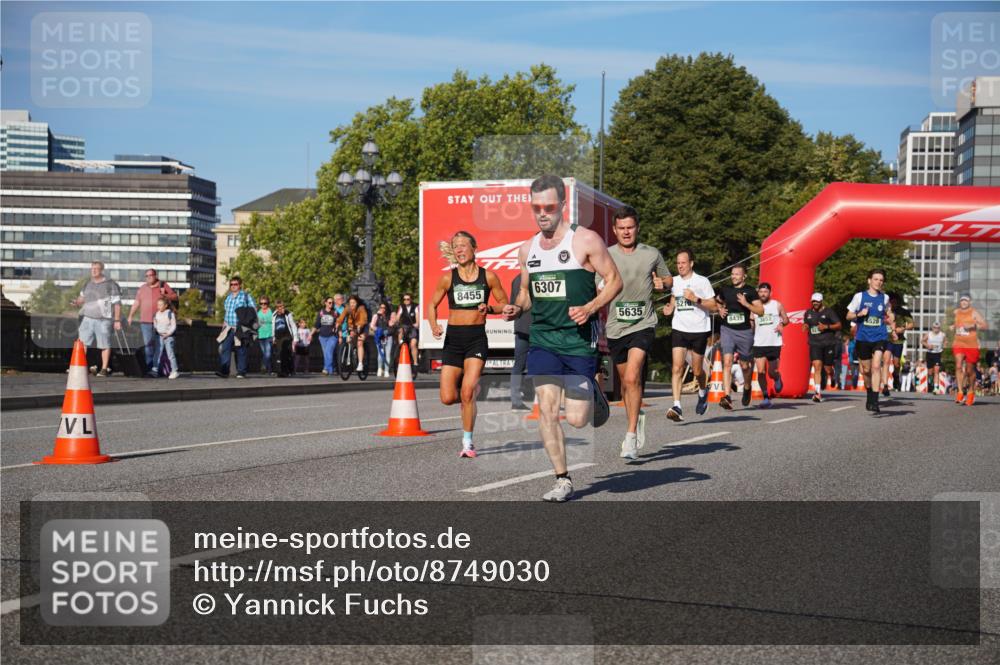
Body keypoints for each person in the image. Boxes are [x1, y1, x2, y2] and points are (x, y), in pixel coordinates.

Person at [501, 174, 621, 502]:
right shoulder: (528, 249)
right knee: (547, 409)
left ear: (563, 205)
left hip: (578, 339)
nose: (543, 213)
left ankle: (592, 391)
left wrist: (592, 306)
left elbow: (613, 281)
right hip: (543, 338)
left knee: (579, 420)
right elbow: (526, 293)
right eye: (536, 207)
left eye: (549, 207)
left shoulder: (585, 241)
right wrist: (516, 307)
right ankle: (562, 479)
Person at [428, 231, 509, 457]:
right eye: (456, 246)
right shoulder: (448, 278)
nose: (460, 250)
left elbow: (505, 304)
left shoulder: (488, 277)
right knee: (448, 398)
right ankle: (469, 397)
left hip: (476, 339)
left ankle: (467, 443)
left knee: (467, 392)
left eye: (464, 245)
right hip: (453, 340)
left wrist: (489, 309)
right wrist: (434, 325)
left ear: (475, 248)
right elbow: (431, 305)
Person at [604, 206, 670, 459]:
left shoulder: (651, 253)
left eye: (630, 227)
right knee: (627, 385)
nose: (626, 232)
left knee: (632, 377)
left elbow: (668, 280)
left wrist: (662, 284)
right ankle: (637, 416)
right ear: (614, 230)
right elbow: (592, 279)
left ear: (637, 228)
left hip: (643, 323)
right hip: (615, 326)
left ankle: (630, 436)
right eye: (621, 228)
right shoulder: (606, 255)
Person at [662, 249, 717, 422]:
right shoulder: (675, 282)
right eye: (678, 263)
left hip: (699, 329)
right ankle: (677, 405)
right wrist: (670, 308)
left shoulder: (702, 281)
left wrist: (696, 299)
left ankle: (702, 391)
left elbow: (714, 306)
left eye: (683, 262)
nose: (680, 266)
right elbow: (674, 298)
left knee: (697, 370)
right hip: (679, 328)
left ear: (691, 263)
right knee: (677, 367)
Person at [714, 264, 762, 410]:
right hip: (727, 329)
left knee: (745, 366)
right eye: (732, 274)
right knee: (727, 362)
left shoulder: (750, 291)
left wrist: (746, 304)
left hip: (744, 332)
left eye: (737, 274)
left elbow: (760, 310)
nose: (734, 276)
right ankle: (727, 396)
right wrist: (720, 308)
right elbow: (716, 300)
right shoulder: (726, 290)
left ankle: (747, 387)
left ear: (744, 276)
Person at [846, 268, 892, 414]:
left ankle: (875, 400)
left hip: (879, 336)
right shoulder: (859, 297)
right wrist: (859, 314)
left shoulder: (885, 298)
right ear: (869, 280)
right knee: (866, 370)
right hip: (863, 338)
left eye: (881, 280)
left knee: (876, 366)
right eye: (876, 279)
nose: (878, 282)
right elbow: (848, 316)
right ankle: (869, 393)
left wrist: (891, 315)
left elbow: (889, 311)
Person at [72, 261, 122, 377]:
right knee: (82, 344)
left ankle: (104, 369)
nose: (93, 271)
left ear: (102, 270)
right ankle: (81, 368)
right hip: (87, 318)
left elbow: (117, 303)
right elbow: (82, 298)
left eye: (96, 269)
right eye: (92, 268)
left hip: (104, 319)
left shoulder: (110, 284)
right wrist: (76, 302)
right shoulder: (88, 283)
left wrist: (117, 320)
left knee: (104, 344)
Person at [126, 268, 178, 377]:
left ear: (155, 276)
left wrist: (165, 295)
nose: (149, 277)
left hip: (161, 322)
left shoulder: (163, 285)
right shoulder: (142, 288)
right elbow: (136, 303)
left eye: (151, 275)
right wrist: (130, 316)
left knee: (161, 347)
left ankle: (162, 369)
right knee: (148, 346)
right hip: (145, 321)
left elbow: (175, 297)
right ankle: (149, 369)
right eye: (147, 275)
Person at [750, 282, 789, 408]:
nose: (763, 294)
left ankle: (777, 378)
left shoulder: (776, 305)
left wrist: (782, 324)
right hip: (759, 343)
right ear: (758, 293)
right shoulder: (754, 307)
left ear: (770, 293)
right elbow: (751, 326)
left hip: (774, 343)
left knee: (772, 372)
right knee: (761, 372)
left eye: (765, 292)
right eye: (761, 292)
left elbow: (786, 319)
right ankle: (766, 397)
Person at [802, 292, 842, 403]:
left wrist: (826, 326)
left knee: (827, 368)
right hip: (814, 343)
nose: (815, 303)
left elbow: (839, 325)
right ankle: (817, 393)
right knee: (817, 365)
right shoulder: (808, 313)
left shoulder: (828, 312)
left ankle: (832, 376)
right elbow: (807, 323)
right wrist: (805, 325)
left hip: (828, 343)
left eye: (818, 301)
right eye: (814, 301)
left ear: (821, 301)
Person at [951, 294, 988, 406]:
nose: (963, 302)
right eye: (962, 300)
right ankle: (960, 392)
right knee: (958, 365)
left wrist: (973, 325)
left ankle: (971, 391)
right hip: (959, 343)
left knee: (969, 371)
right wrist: (953, 326)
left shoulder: (974, 312)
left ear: (970, 302)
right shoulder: (956, 312)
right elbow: (956, 324)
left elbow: (985, 326)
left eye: (966, 301)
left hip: (971, 345)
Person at [216, 276, 256, 379]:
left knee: (241, 350)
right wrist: (223, 327)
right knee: (225, 348)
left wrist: (249, 325)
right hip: (229, 327)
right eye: (232, 284)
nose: (233, 286)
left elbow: (253, 310)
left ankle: (241, 372)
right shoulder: (228, 298)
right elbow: (227, 313)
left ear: (240, 285)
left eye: (236, 284)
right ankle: (224, 371)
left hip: (240, 328)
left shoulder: (246, 296)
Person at [880, 294, 912, 397]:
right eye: (891, 302)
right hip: (886, 339)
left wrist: (903, 329)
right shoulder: (883, 310)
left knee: (896, 363)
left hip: (898, 341)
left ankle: (896, 376)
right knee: (886, 361)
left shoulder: (904, 312)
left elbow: (911, 324)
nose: (892, 304)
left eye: (894, 302)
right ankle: (884, 385)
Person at [509, 273, 532, 410]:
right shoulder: (540, 274)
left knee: (518, 365)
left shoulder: (516, 278)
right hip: (538, 326)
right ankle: (542, 400)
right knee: (542, 364)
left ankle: (516, 401)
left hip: (521, 326)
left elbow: (513, 303)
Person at [153, 297, 180, 379]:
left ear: (166, 305)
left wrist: (168, 334)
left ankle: (174, 370)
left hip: (169, 337)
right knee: (158, 353)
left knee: (170, 353)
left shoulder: (170, 313)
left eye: (161, 305)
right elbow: (155, 323)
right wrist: (157, 330)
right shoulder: (157, 314)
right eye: (158, 305)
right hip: (160, 336)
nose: (159, 306)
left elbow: (173, 326)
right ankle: (155, 369)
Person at [313, 296, 340, 376]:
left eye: (332, 303)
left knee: (328, 352)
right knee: (326, 354)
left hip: (332, 336)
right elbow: (316, 325)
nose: (331, 304)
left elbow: (339, 325)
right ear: (325, 303)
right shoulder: (321, 312)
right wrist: (310, 334)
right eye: (329, 302)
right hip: (322, 337)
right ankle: (330, 370)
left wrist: (340, 336)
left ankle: (325, 368)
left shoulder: (335, 313)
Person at [396, 293, 420, 374]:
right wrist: (395, 322)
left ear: (411, 299)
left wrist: (417, 323)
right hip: (404, 326)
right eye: (404, 299)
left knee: (413, 344)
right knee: (400, 330)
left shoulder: (415, 306)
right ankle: (400, 343)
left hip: (412, 327)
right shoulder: (401, 306)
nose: (406, 301)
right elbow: (398, 316)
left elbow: (417, 316)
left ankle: (415, 362)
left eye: (408, 299)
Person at [345, 295, 369, 372]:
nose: (352, 304)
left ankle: (360, 363)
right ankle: (351, 354)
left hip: (363, 326)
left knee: (360, 343)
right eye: (350, 303)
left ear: (357, 303)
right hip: (355, 327)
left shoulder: (361, 309)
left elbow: (364, 320)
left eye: (353, 302)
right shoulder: (348, 309)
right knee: (349, 339)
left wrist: (360, 326)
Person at [272, 300, 296, 377]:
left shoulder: (287, 314)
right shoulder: (274, 315)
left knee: (286, 354)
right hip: (278, 337)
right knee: (279, 354)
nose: (282, 308)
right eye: (279, 307)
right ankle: (280, 370)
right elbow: (273, 326)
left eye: (282, 306)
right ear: (277, 308)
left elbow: (293, 325)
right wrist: (273, 337)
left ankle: (288, 370)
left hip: (287, 336)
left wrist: (295, 338)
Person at [922, 321, 946, 394]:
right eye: (935, 328)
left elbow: (945, 342)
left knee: (936, 370)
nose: (936, 329)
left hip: (938, 354)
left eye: (938, 328)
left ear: (939, 328)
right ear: (932, 328)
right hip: (929, 354)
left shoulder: (942, 335)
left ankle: (936, 388)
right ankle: (931, 381)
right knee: (930, 372)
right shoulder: (928, 334)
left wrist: (944, 347)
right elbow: (922, 341)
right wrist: (927, 345)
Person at [370, 301, 392, 377]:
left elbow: (391, 324)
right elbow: (372, 325)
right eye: (381, 307)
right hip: (379, 336)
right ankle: (379, 368)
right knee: (380, 353)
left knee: (388, 354)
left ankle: (386, 370)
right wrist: (378, 329)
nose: (383, 309)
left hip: (388, 336)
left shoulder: (389, 315)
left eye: (384, 308)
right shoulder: (376, 316)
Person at [256, 297, 275, 375]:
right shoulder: (258, 312)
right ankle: (269, 370)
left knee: (268, 353)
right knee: (265, 353)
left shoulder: (272, 311)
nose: (263, 305)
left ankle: (263, 366)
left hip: (269, 334)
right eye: (261, 303)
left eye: (265, 303)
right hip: (260, 335)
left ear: (268, 303)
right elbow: (256, 323)